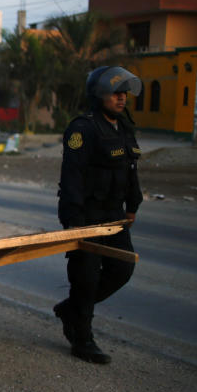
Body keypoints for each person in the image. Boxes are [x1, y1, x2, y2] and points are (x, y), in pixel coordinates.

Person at [53, 66, 143, 364]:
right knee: (86, 278)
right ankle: (82, 338)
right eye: (116, 94)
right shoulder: (83, 128)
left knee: (121, 269)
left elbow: (131, 170)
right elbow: (72, 176)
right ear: (99, 94)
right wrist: (72, 220)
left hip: (115, 215)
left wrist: (133, 204)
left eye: (124, 94)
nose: (121, 99)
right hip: (87, 215)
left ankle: (70, 309)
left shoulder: (124, 127)